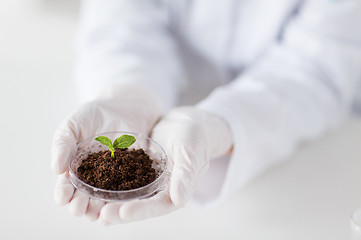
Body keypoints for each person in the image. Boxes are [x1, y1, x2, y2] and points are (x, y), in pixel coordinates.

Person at [52, 0, 361, 225]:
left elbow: (317, 68)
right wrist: (128, 93)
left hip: (300, 146)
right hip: (175, 87)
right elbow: (121, 24)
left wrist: (223, 123)